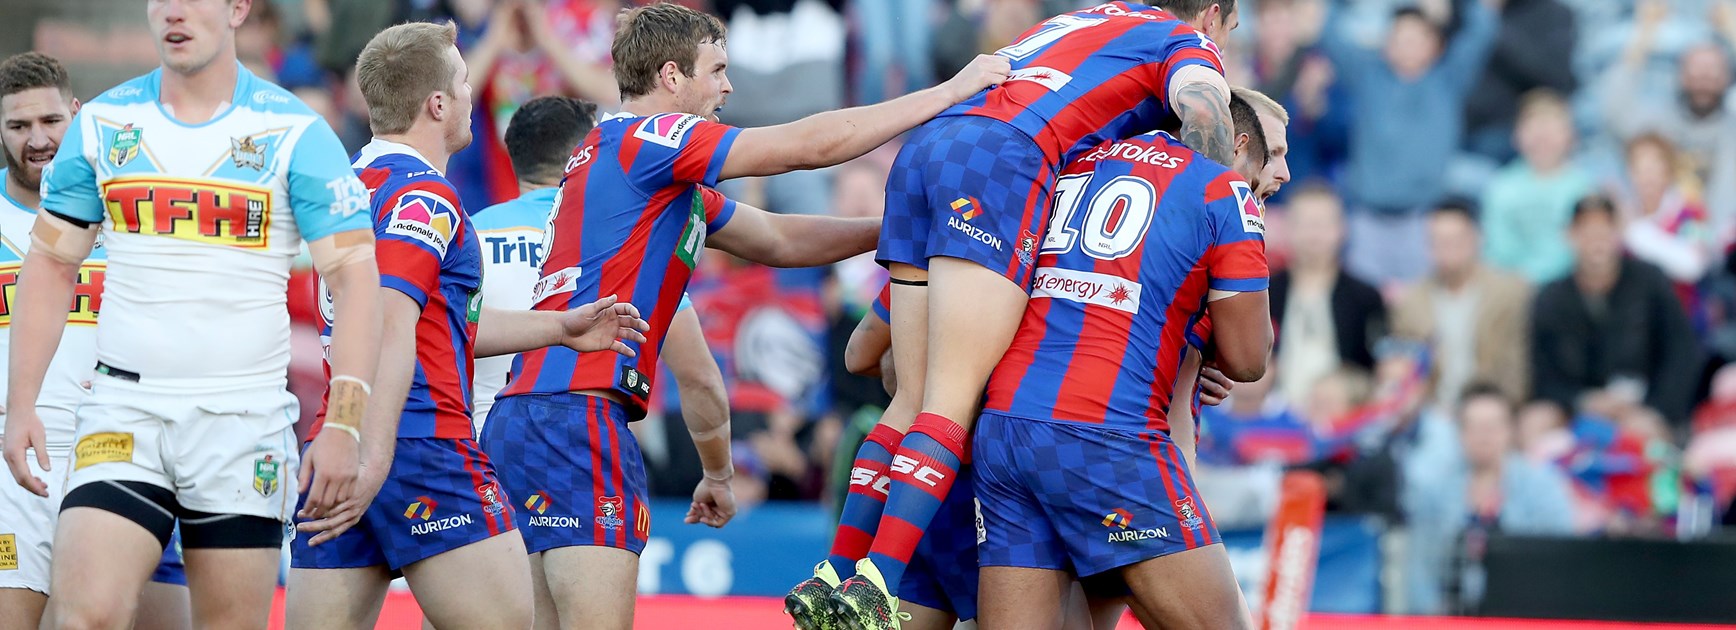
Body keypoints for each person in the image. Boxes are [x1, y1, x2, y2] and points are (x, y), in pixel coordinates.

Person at [481, 4, 1011, 629]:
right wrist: (947, 93)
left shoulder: (631, 162)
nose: (729, 87)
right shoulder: (651, 139)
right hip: (578, 415)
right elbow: (806, 147)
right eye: (717, 70)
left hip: (524, 416)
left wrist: (898, 228)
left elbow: (779, 240)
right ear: (672, 76)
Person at [819, 2, 1241, 626]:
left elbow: (864, 354)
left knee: (915, 397)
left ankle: (837, 572)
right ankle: (872, 584)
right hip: (1004, 165)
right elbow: (1204, 110)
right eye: (1230, 31)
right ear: (1211, 16)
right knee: (948, 399)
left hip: (930, 146)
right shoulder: (1181, 40)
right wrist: (1218, 205)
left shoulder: (1082, 23)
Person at [4, 0, 384, 627]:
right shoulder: (101, 124)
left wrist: (345, 423)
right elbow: (50, 264)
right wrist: (22, 404)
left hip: (243, 422)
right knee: (83, 615)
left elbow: (355, 281)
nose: (174, 12)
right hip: (124, 412)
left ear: (238, 8)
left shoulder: (297, 132)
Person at [285, 22, 648, 630]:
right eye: (462, 82)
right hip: (419, 443)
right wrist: (376, 457)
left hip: (336, 441)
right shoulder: (423, 196)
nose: (471, 93)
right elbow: (391, 323)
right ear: (437, 104)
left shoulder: (347, 186)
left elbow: (439, 324)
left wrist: (560, 329)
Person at [971, 89, 1278, 630]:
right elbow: (1249, 360)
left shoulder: (1076, 160)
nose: (1282, 175)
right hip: (1107, 435)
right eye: (1272, 156)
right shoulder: (1223, 191)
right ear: (1237, 145)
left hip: (1004, 430)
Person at [471, 94, 733, 628]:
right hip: (576, 435)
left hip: (481, 457)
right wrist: (718, 472)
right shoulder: (618, 235)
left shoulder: (469, 233)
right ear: (582, 153)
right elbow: (698, 376)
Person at [0, 51, 192, 630]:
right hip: (16, 463)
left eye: (50, 121)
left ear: (78, 114)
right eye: (18, 125)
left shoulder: (127, 209)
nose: (38, 140)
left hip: (124, 448)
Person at [1403, 383, 1574, 615]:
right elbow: (1419, 566)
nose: (1483, 437)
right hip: (1452, 614)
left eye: (1492, 427)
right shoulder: (1436, 489)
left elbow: (1560, 556)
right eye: (1472, 427)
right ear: (1459, 432)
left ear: (1511, 429)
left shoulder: (1543, 486)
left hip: (1526, 610)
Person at [1392, 200, 1532, 411]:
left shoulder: (1510, 293)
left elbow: (1517, 366)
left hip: (1493, 405)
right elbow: (1406, 369)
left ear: (1477, 238)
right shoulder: (1411, 302)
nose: (1448, 249)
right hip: (1431, 408)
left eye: (1456, 240)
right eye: (1438, 242)